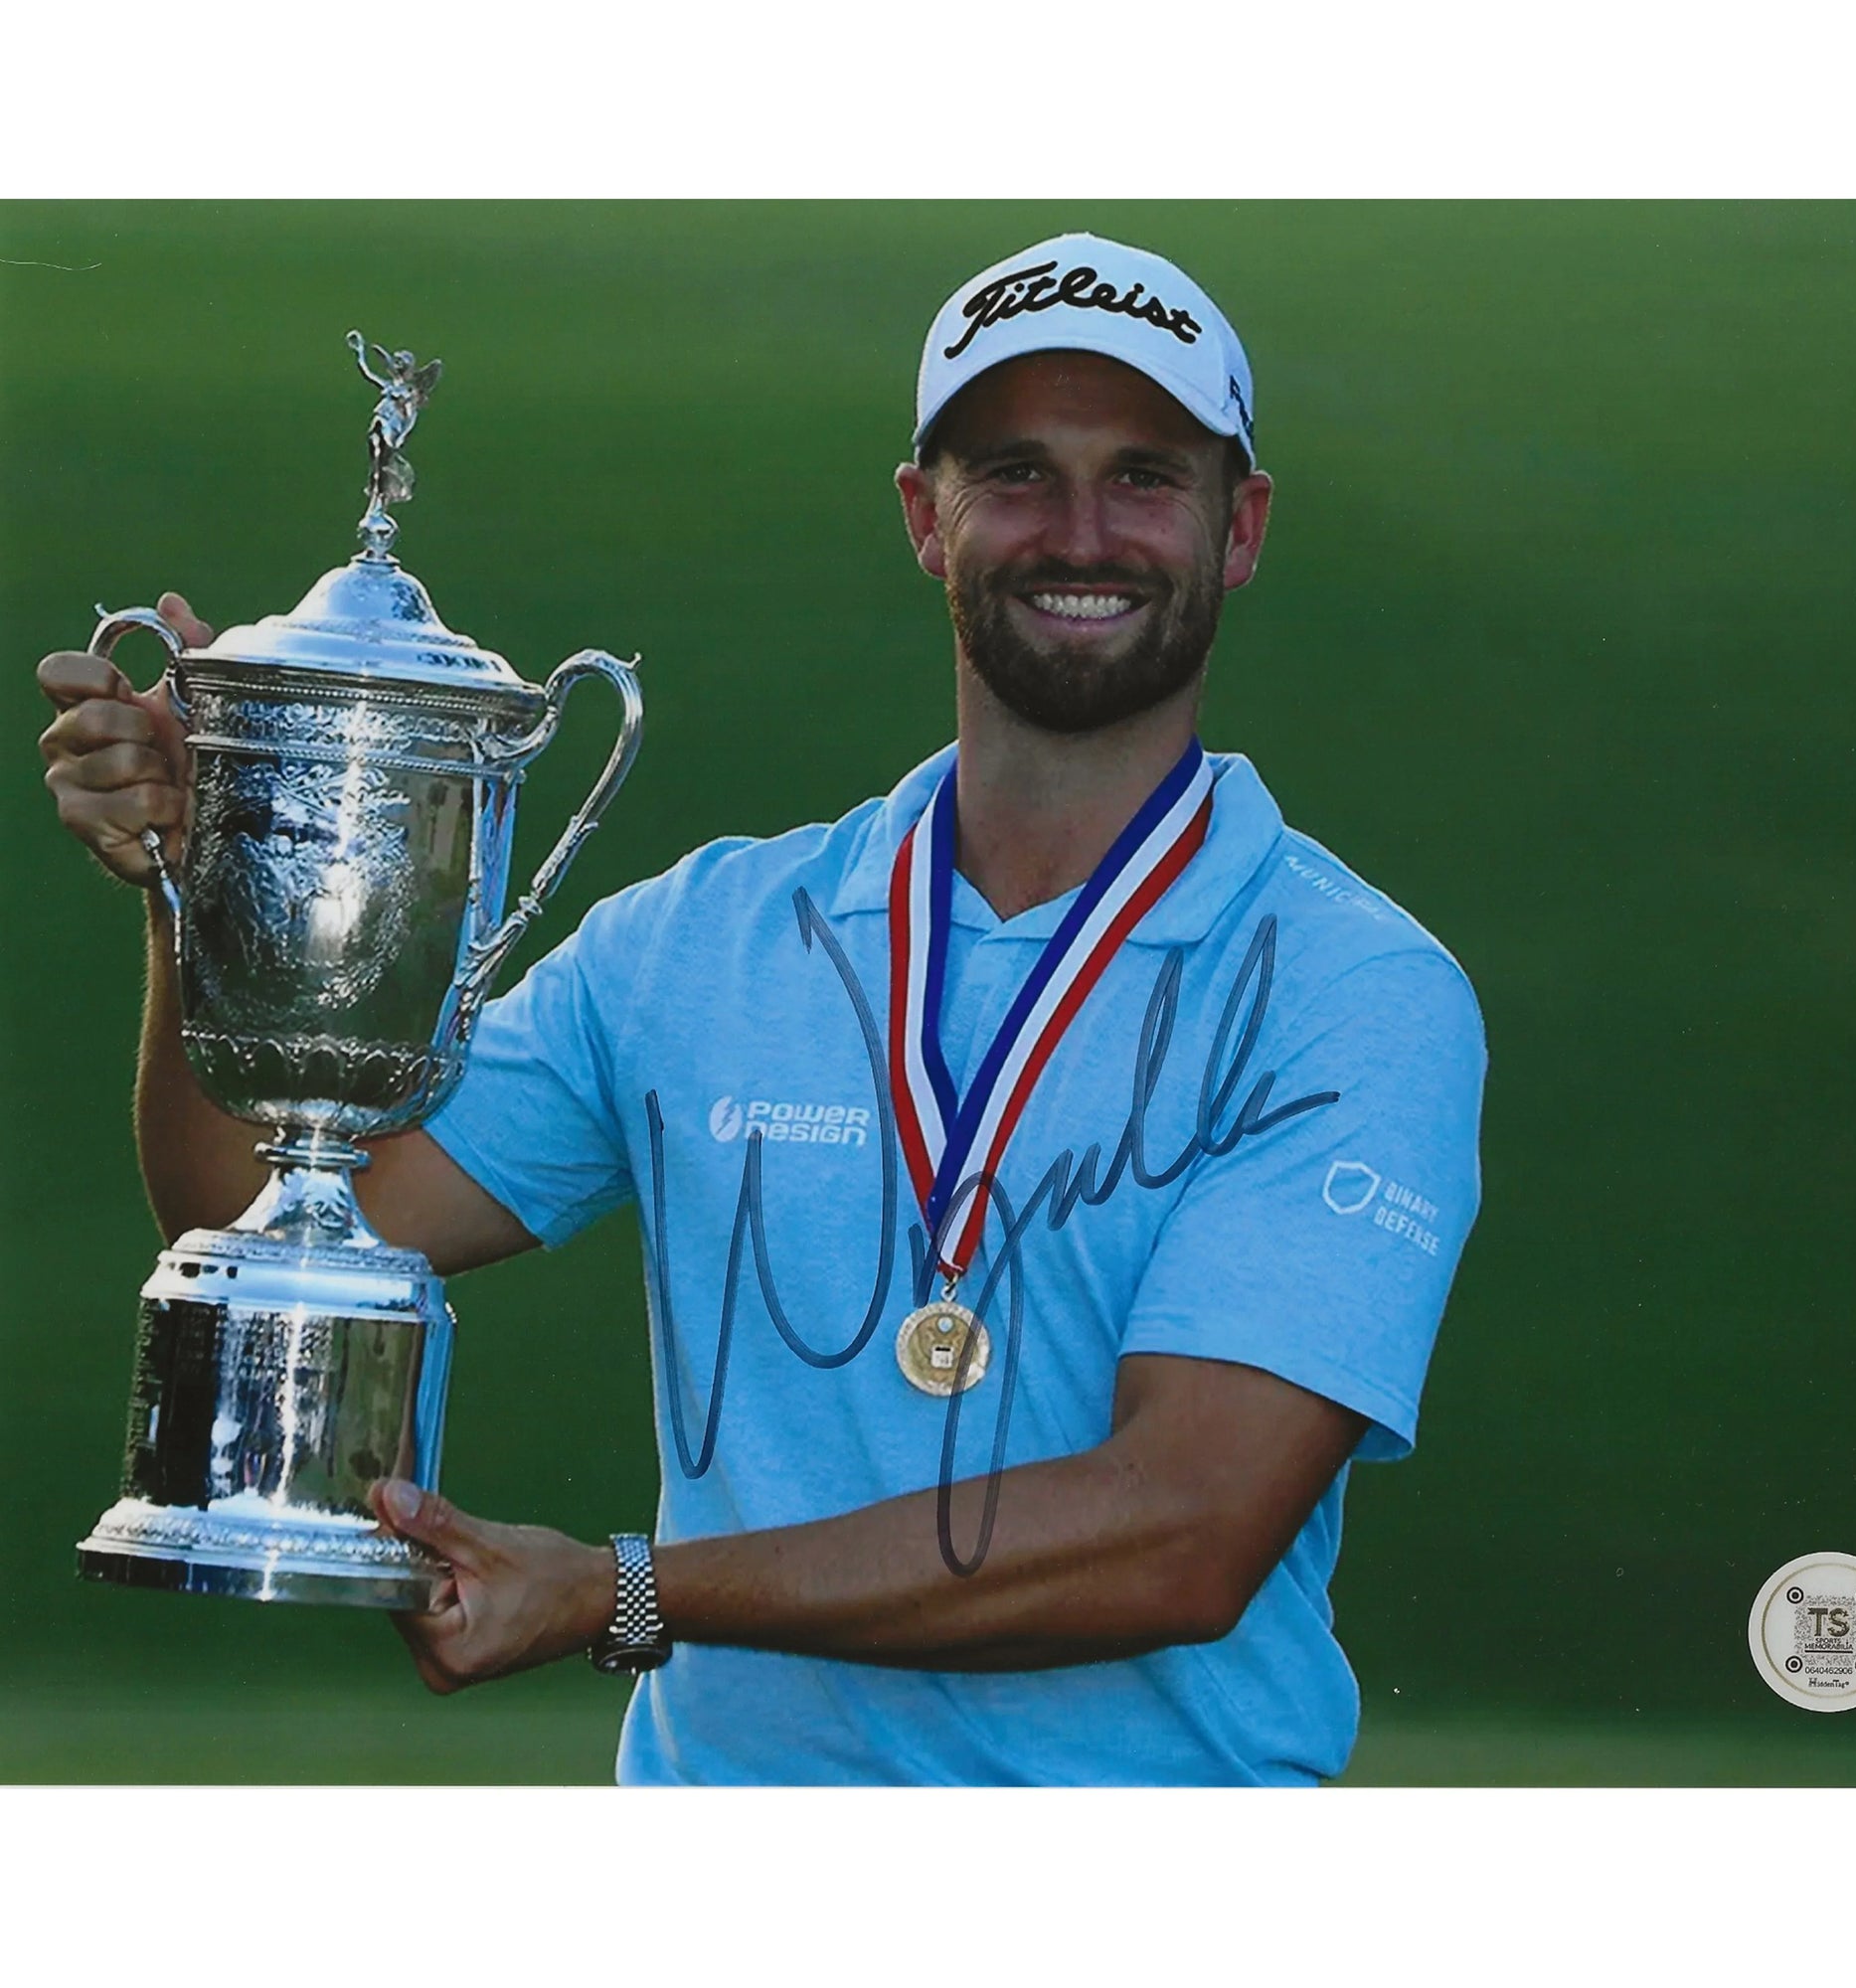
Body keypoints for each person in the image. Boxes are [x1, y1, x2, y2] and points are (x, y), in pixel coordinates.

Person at [37, 233, 1486, 1786]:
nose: (1082, 531)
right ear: (926, 519)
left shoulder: (1352, 989)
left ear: (1239, 527)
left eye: (1145, 476)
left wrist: (623, 1591)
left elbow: (1182, 1538)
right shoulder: (700, 942)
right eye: (1015, 474)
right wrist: (220, 875)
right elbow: (251, 1210)